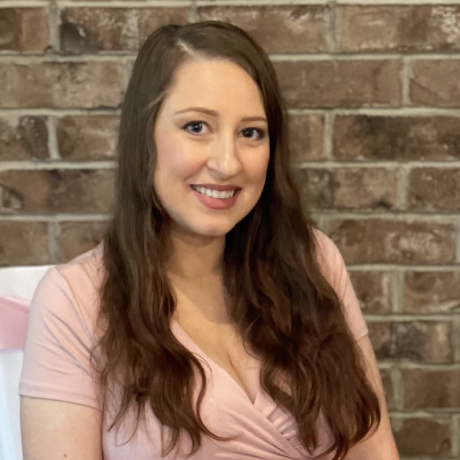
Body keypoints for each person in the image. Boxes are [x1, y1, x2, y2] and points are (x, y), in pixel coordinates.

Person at [19, 21, 399, 460]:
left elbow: (375, 449)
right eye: (197, 126)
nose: (227, 163)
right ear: (144, 136)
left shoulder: (313, 262)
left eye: (250, 133)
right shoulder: (73, 302)